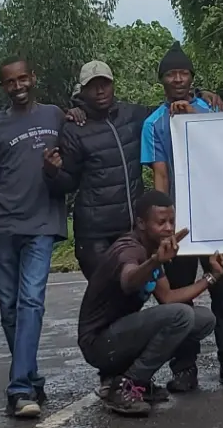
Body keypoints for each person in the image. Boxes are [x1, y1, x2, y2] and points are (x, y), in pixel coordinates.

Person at [141, 45, 223, 391]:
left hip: (217, 219)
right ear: (162, 81)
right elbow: (160, 176)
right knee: (182, 297)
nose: (178, 79)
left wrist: (193, 113)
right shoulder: (153, 124)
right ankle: (184, 369)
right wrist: (163, 229)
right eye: (170, 74)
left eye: (183, 73)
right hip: (180, 225)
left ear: (192, 78)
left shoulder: (212, 107)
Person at [0, 59, 68, 420]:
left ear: (33, 78)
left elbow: (81, 132)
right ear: (3, 87)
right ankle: (31, 378)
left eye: (23, 78)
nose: (18, 86)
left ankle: (19, 390)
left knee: (31, 301)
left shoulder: (55, 116)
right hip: (3, 226)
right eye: (10, 82)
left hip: (42, 223)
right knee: (9, 309)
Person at [78, 190, 223, 417]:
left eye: (172, 221)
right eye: (161, 222)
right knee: (181, 316)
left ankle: (135, 380)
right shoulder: (128, 249)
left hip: (119, 336)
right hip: (99, 343)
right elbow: (129, 280)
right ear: (141, 223)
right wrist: (154, 261)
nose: (168, 228)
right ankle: (127, 385)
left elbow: (168, 297)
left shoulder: (153, 248)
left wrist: (211, 276)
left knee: (203, 319)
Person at [43, 61, 151, 281]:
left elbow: (167, 113)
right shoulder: (74, 129)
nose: (100, 90)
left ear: (113, 85)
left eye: (105, 83)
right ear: (83, 91)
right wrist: (52, 173)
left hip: (131, 231)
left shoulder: (133, 115)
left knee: (132, 294)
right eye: (93, 86)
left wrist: (200, 94)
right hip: (95, 237)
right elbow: (68, 183)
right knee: (104, 298)